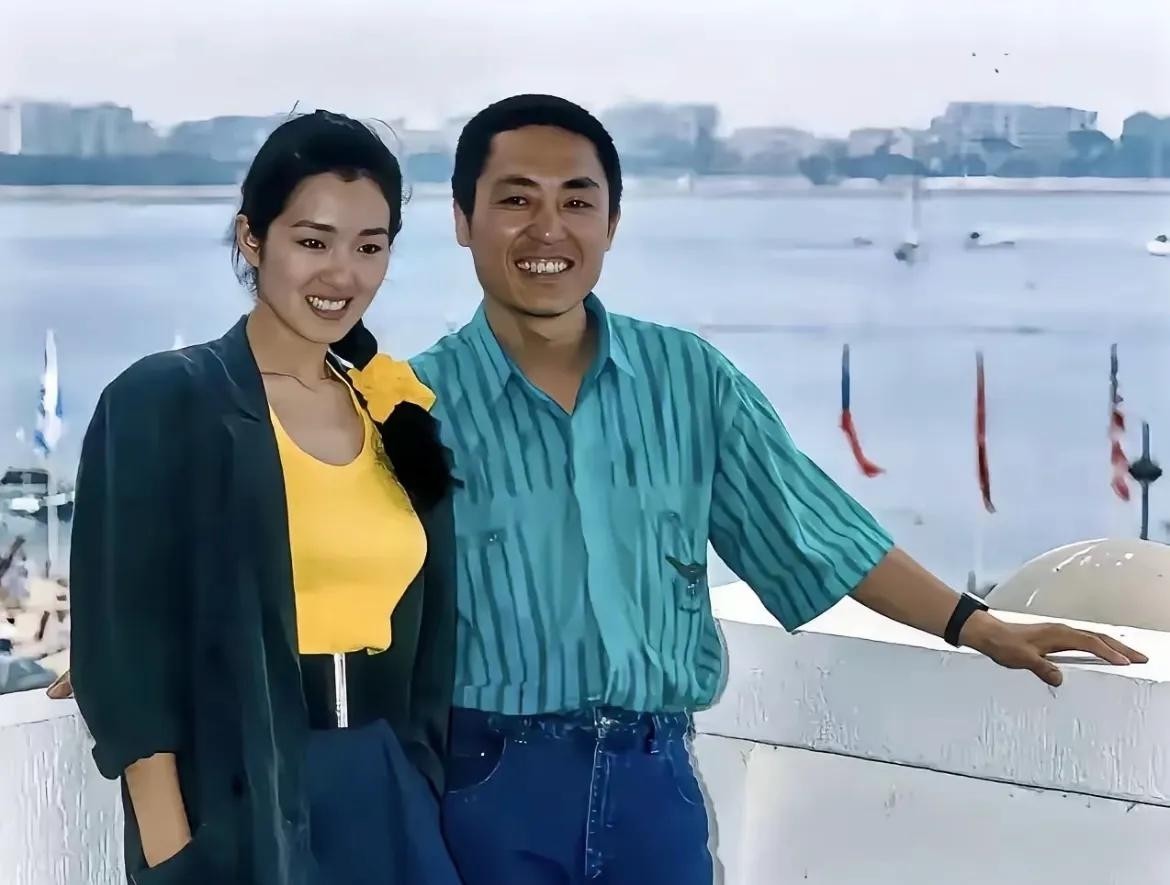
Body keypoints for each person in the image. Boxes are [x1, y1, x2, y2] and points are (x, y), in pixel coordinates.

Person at [410, 94, 1147, 885]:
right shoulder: (412, 405)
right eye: (516, 200)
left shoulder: (688, 380)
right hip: (490, 785)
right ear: (462, 218)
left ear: (612, 222)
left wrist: (975, 623)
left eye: (577, 201)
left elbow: (816, 528)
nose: (548, 229)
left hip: (652, 780)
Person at [68, 110, 462, 885]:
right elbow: (127, 654)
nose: (342, 274)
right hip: (242, 798)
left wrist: (417, 773)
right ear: (253, 239)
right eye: (313, 242)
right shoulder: (166, 399)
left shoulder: (393, 410)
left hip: (386, 790)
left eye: (369, 247)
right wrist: (176, 860)